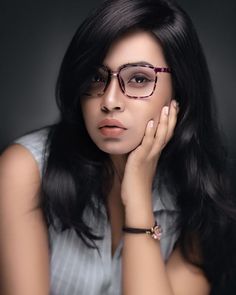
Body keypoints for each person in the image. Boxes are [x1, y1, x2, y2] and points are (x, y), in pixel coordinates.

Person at [0, 0, 235, 294]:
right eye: (96, 77)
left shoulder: (199, 194)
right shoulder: (25, 170)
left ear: (181, 91)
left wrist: (137, 199)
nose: (109, 100)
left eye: (139, 78)